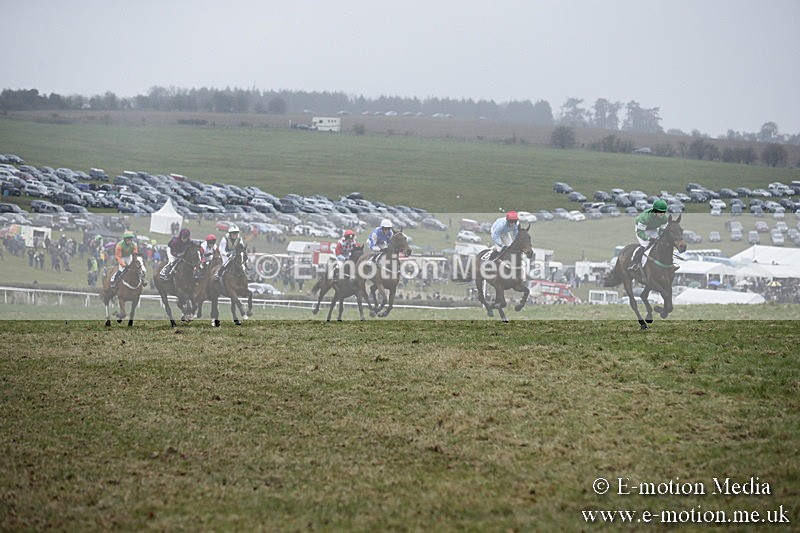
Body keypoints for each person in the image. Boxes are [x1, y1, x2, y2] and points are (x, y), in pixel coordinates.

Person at [628, 199, 669, 277]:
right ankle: (634, 264)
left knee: (659, 244)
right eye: (660, 212)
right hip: (641, 230)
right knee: (645, 245)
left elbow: (662, 230)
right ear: (654, 210)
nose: (662, 214)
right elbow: (640, 233)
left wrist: (659, 236)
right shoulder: (645, 217)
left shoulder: (664, 218)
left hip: (652, 229)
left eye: (663, 212)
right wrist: (649, 238)